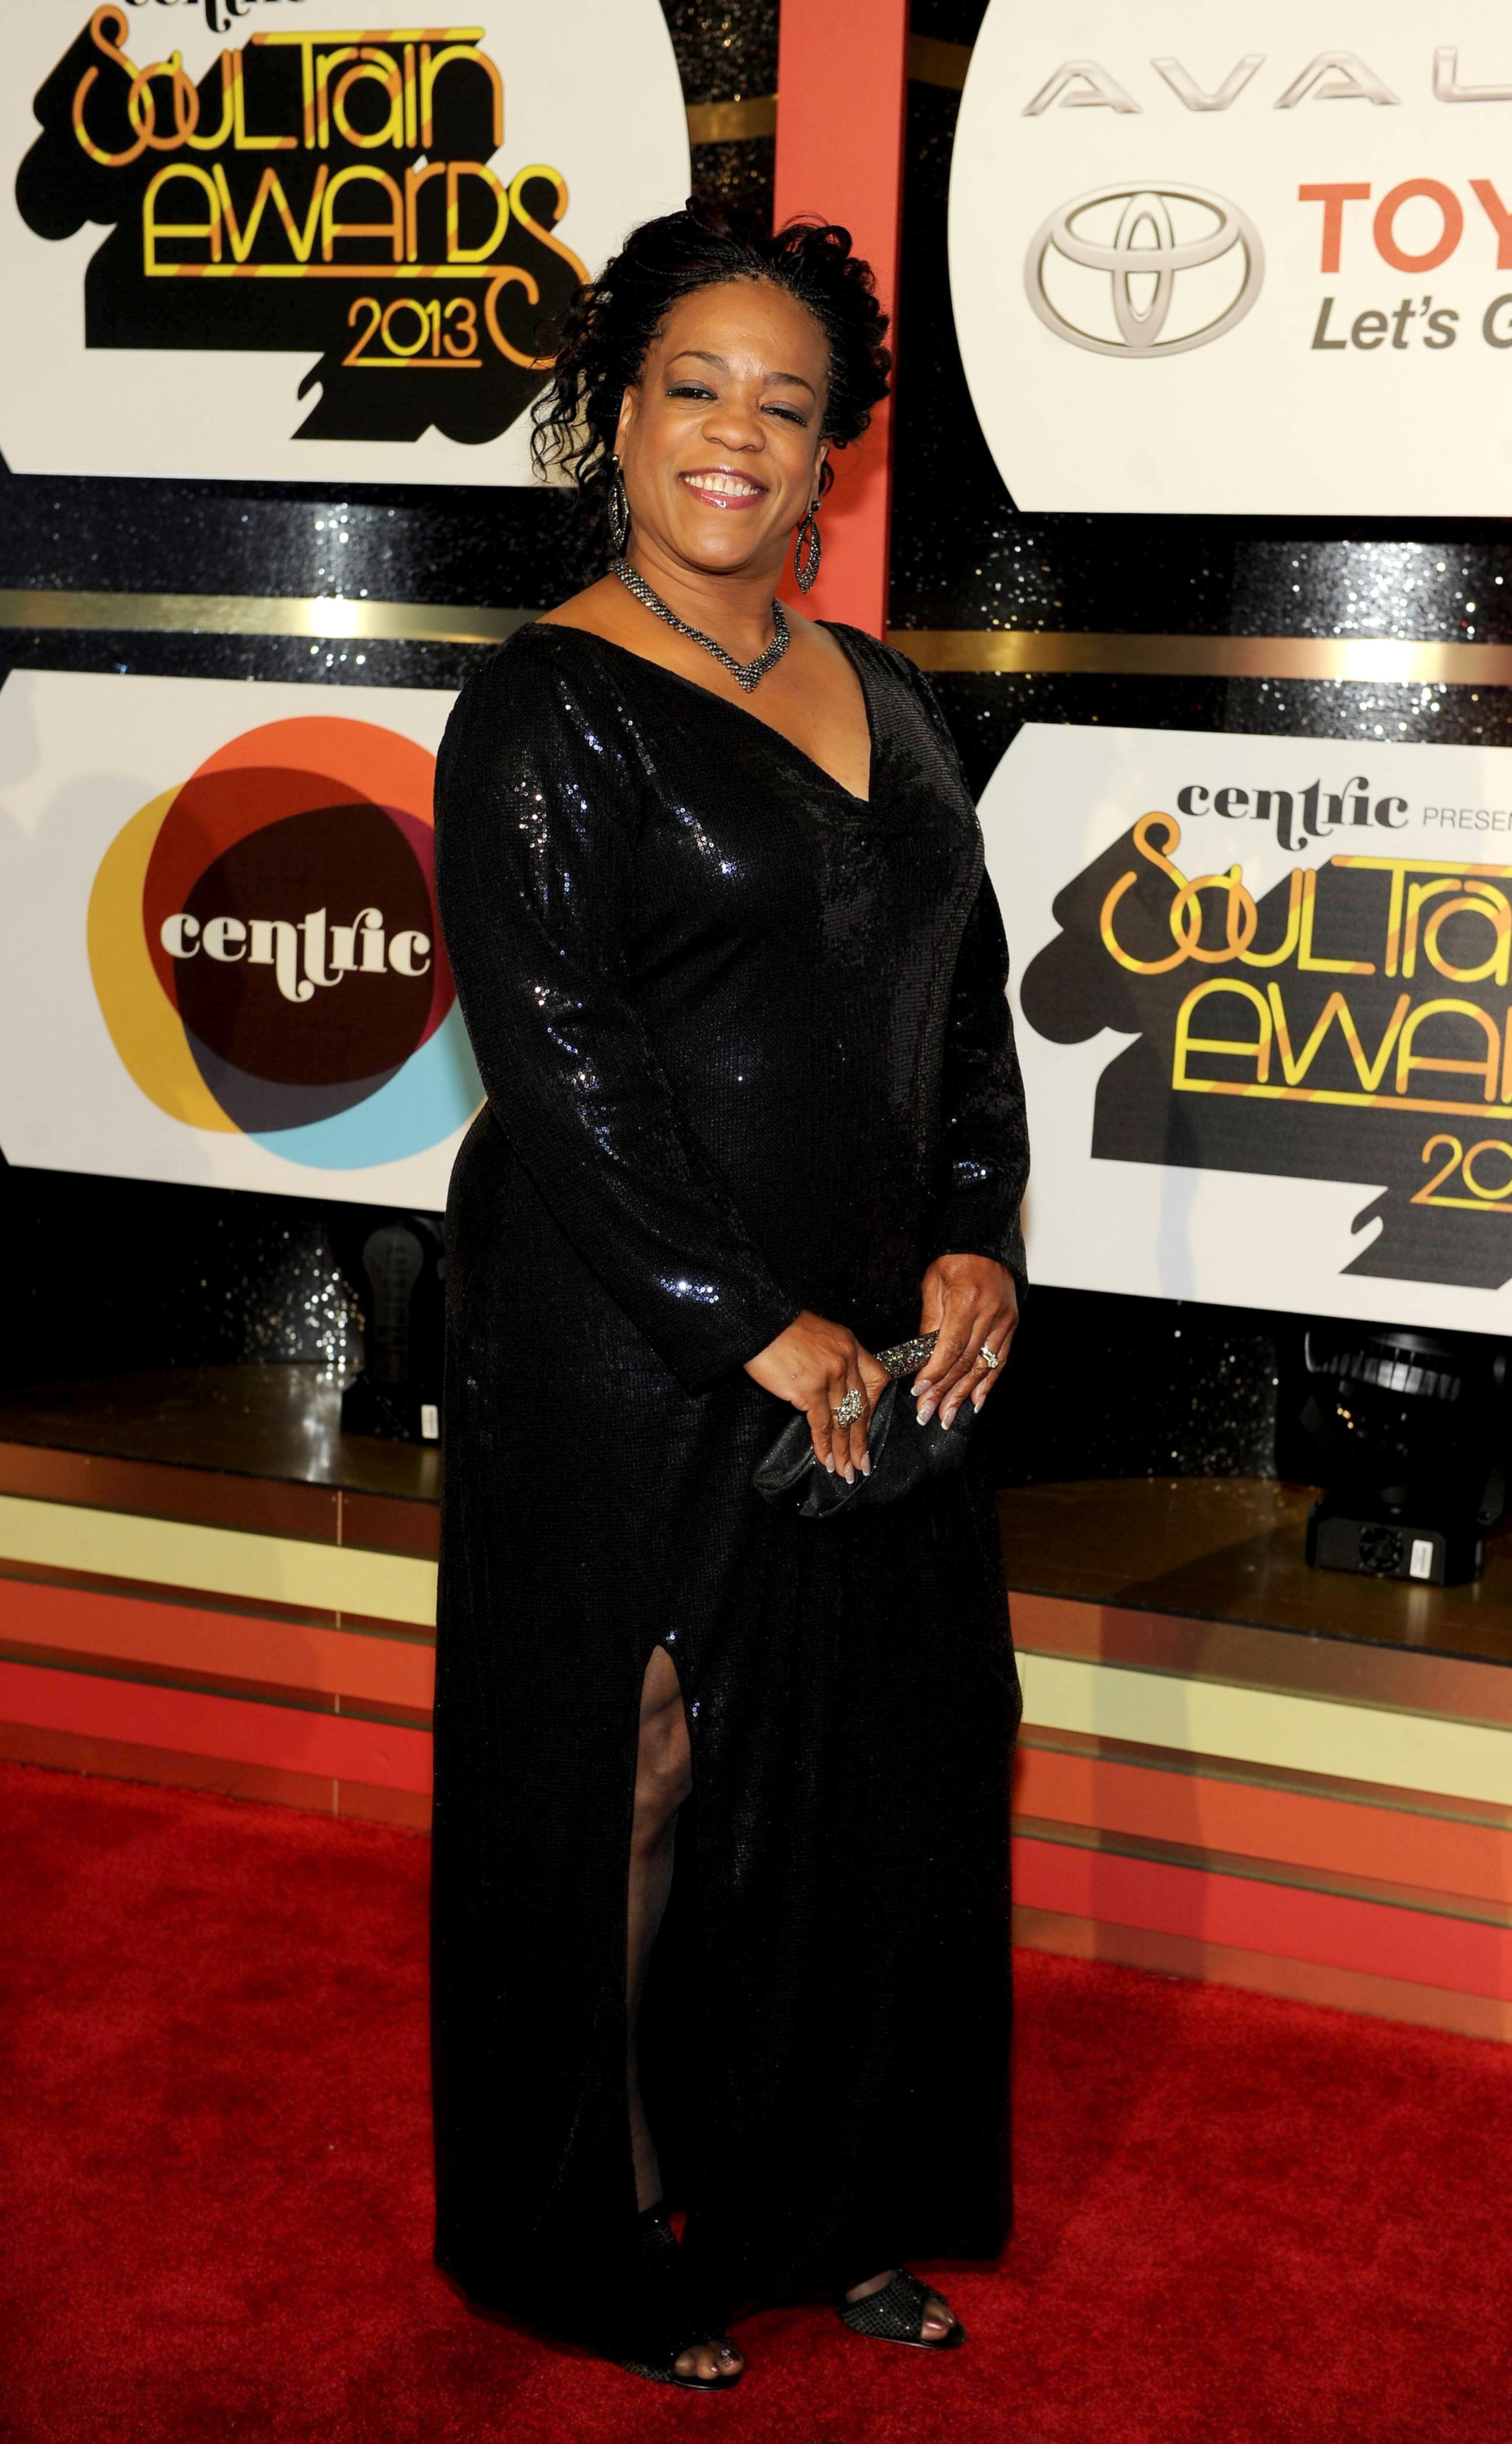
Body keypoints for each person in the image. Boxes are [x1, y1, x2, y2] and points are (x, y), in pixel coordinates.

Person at [429, 197, 1030, 2391]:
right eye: (697, 388)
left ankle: (826, 2201)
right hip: (624, 1343)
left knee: (871, 1775)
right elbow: (559, 1060)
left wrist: (978, 1232)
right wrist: (738, 1313)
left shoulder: (876, 688)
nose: (739, 440)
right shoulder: (543, 704)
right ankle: (591, 2222)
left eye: (788, 408)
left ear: (833, 457)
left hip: (882, 1338)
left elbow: (961, 1012)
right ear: (613, 412)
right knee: (646, 1772)